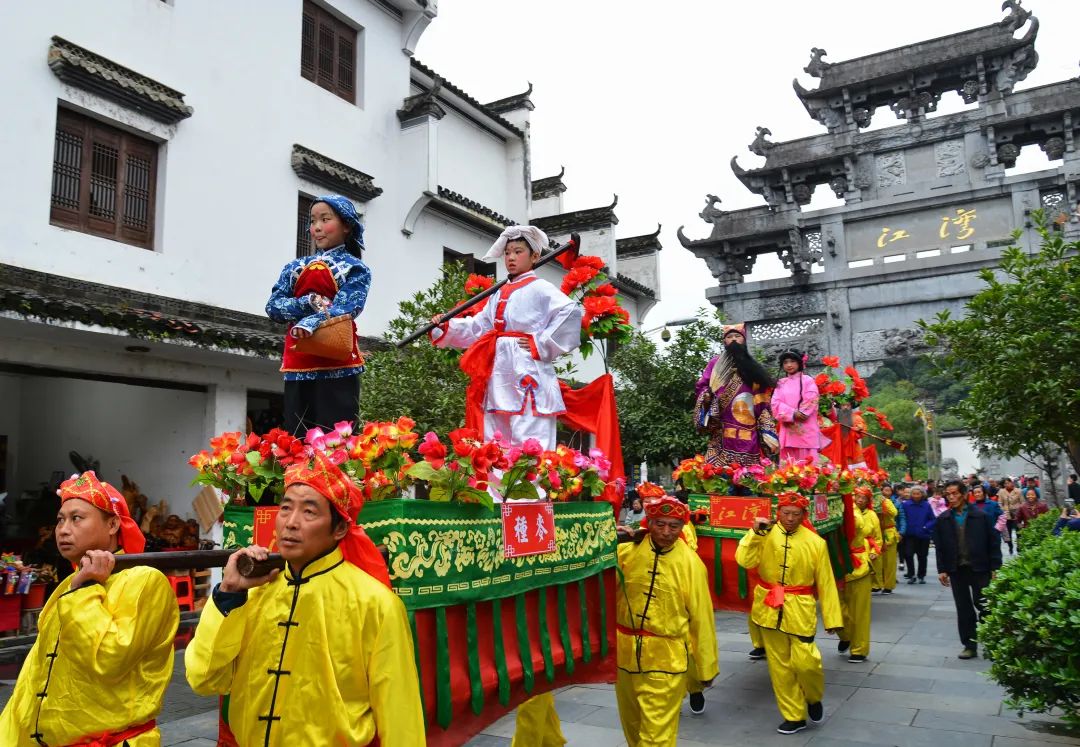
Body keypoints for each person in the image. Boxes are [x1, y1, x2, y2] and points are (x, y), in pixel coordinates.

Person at [185, 451, 424, 746]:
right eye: (286, 509)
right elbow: (204, 679)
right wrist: (228, 595)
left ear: (340, 528)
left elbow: (400, 715)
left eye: (309, 512)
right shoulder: (253, 593)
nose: (291, 523)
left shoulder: (376, 604)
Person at [0, 471, 178, 746]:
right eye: (61, 519)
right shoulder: (70, 584)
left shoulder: (144, 580)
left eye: (77, 518)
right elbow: (34, 676)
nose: (63, 529)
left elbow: (110, 659)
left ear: (113, 524)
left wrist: (85, 591)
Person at [431, 225, 582, 450]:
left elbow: (571, 312)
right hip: (500, 371)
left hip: (528, 368)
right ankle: (496, 486)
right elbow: (479, 327)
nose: (511, 257)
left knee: (530, 440)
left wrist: (540, 342)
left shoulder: (540, 288)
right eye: (507, 252)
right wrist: (446, 327)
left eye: (518, 251)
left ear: (535, 256)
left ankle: (532, 485)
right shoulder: (499, 293)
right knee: (496, 442)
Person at [615, 496, 718, 747]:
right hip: (624, 656)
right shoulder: (626, 552)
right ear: (649, 523)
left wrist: (706, 666)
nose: (666, 532)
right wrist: (609, 538)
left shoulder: (691, 564)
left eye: (674, 526)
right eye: (660, 524)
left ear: (683, 527)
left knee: (656, 737)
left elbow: (702, 618)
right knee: (632, 727)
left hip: (667, 659)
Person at [735, 493, 842, 735]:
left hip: (800, 607)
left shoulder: (816, 543)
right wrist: (754, 533)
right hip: (769, 607)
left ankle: (813, 696)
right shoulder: (764, 534)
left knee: (807, 663)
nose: (790, 518)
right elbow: (743, 560)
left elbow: (826, 581)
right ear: (778, 512)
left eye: (796, 514)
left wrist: (833, 618)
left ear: (804, 515)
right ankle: (794, 716)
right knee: (779, 666)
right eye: (786, 513)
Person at [267, 195, 370, 434]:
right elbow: (273, 307)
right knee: (297, 440)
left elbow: (346, 308)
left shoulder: (355, 268)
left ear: (346, 225)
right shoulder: (293, 268)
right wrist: (309, 302)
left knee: (337, 442)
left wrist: (311, 323)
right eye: (313, 221)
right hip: (297, 363)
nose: (318, 227)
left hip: (339, 361)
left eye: (325, 219)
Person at [933, 479, 1002, 659]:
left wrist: (995, 567)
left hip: (980, 567)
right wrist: (942, 569)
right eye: (948, 494)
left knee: (985, 605)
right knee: (964, 609)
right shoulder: (943, 519)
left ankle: (992, 644)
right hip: (957, 569)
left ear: (964, 494)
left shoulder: (982, 516)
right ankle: (969, 645)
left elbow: (993, 542)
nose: (952, 497)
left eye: (955, 493)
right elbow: (939, 547)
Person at [694, 324, 779, 468]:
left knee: (751, 473)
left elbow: (761, 397)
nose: (733, 339)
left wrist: (765, 424)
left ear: (744, 340)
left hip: (748, 424)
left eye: (737, 336)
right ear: (724, 341)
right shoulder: (715, 363)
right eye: (729, 337)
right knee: (718, 473)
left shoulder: (753, 366)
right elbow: (701, 386)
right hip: (722, 423)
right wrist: (706, 397)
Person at [838, 486, 880, 663]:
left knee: (860, 611)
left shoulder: (861, 515)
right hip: (837, 567)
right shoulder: (835, 510)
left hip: (859, 564)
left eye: (863, 497)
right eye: (857, 496)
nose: (859, 500)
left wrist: (875, 551)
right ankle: (846, 635)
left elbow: (875, 537)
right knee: (837, 610)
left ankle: (859, 649)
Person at [770, 350, 822, 463]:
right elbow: (775, 403)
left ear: (799, 363)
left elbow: (812, 398)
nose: (789, 365)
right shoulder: (780, 383)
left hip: (806, 430)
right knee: (789, 471)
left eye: (792, 361)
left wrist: (802, 413)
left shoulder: (808, 380)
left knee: (809, 470)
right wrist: (793, 413)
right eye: (785, 362)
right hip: (788, 431)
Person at [900, 485, 935, 584]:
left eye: (918, 494)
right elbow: (902, 518)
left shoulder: (926, 505)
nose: (916, 496)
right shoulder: (906, 504)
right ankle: (911, 575)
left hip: (923, 535)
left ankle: (921, 575)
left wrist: (926, 527)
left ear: (922, 494)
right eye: (914, 494)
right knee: (908, 554)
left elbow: (932, 519)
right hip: (909, 534)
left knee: (922, 556)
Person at [874, 487, 900, 594]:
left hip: (888, 532)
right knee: (877, 561)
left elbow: (894, 513)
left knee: (889, 562)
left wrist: (884, 503)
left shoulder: (886, 501)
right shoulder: (869, 501)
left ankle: (888, 585)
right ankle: (877, 585)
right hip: (876, 534)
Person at [996, 477, 1023, 555]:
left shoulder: (1018, 491)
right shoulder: (1001, 492)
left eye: (1008, 482)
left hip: (1017, 514)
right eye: (1005, 483)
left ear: (1012, 482)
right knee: (1008, 533)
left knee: (1019, 532)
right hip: (1006, 515)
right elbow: (1000, 503)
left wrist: (1019, 511)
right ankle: (1010, 546)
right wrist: (1003, 511)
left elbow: (1022, 502)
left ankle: (1019, 547)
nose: (1006, 484)